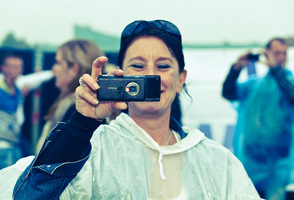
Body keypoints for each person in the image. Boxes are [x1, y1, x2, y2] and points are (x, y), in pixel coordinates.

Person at [0, 20, 259, 199]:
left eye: (163, 66)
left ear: (181, 80)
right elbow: (29, 195)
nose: (150, 75)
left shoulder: (217, 161)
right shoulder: (90, 152)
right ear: (120, 77)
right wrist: (80, 125)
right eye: (137, 66)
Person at [222, 38, 294, 200]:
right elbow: (228, 93)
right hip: (251, 160)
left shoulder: (292, 82)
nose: (281, 57)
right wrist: (236, 68)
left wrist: (275, 68)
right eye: (276, 53)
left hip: (278, 163)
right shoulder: (254, 84)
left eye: (284, 53)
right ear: (267, 53)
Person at [35, 39, 105, 153]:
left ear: (74, 68)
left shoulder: (78, 109)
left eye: (58, 62)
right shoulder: (75, 104)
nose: (53, 68)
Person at [0, 52, 25, 170]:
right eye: (15, 67)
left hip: (14, 145)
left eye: (20, 67)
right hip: (3, 146)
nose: (19, 71)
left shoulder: (17, 89)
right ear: (4, 68)